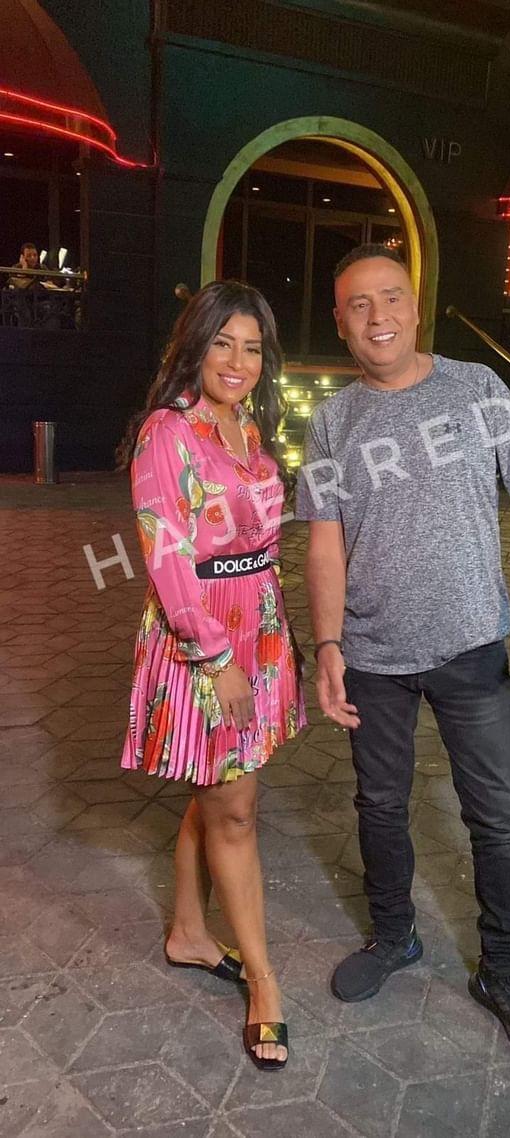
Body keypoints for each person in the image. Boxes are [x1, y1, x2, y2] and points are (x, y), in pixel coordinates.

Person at [296, 243, 510, 1065]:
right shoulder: (332, 420)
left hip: (470, 646)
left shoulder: (476, 389)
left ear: (415, 305)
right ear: (341, 322)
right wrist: (327, 645)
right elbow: (323, 545)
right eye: (358, 304)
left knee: (498, 819)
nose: (377, 316)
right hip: (373, 655)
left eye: (390, 297)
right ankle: (394, 936)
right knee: (379, 806)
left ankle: (504, 973)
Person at [118, 281, 306, 1071]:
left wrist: (275, 637)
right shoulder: (169, 431)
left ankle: (190, 932)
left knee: (218, 786)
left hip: (257, 623)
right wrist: (218, 659)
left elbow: (261, 535)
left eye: (253, 347)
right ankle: (264, 981)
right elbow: (166, 558)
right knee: (235, 809)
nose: (239, 360)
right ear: (194, 346)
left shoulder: (246, 424)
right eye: (223, 342)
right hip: (206, 636)